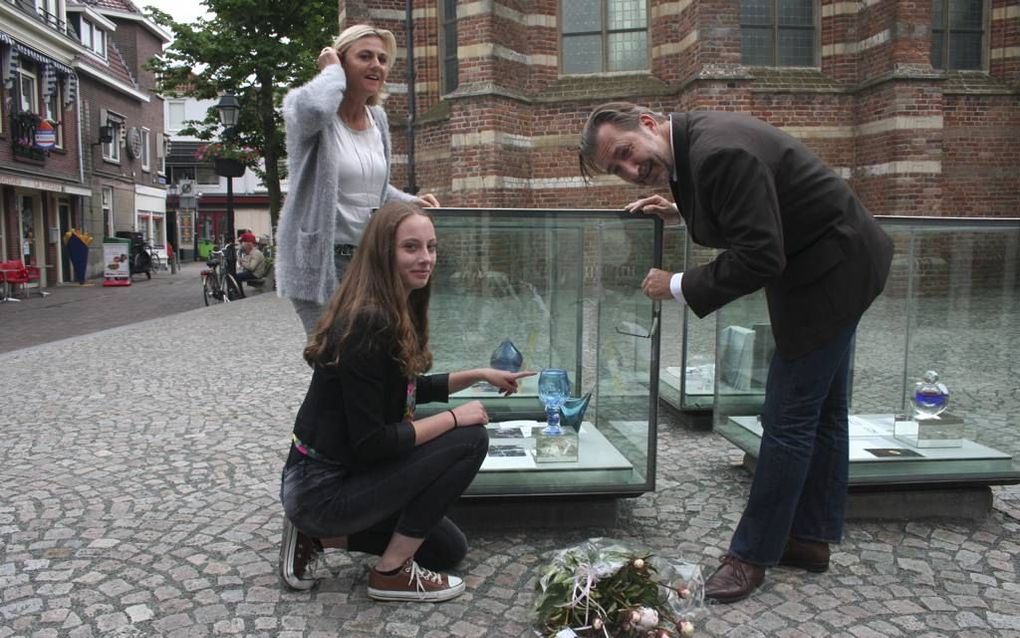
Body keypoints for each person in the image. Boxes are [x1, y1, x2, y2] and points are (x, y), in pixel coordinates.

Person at [578, 102, 894, 604]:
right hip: (843, 263)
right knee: (826, 412)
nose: (632, 171)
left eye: (625, 154)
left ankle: (750, 556)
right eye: (618, 170)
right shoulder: (697, 146)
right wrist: (683, 209)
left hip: (831, 277)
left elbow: (760, 254)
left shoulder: (718, 151)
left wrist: (677, 283)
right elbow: (757, 203)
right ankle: (810, 539)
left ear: (646, 123)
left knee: (787, 420)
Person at [278, 201, 533, 601]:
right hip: (322, 488)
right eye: (411, 247)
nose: (426, 258)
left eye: (431, 247)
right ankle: (390, 573)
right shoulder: (368, 322)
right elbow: (373, 443)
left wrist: (479, 374)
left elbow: (411, 388)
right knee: (470, 439)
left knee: (447, 550)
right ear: (384, 253)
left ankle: (317, 538)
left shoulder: (394, 308)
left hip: (345, 476)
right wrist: (453, 419)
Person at [275, 24, 441, 337]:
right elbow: (316, 107)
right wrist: (331, 73)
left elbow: (374, 190)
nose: (376, 65)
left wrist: (410, 202)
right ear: (341, 61)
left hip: (369, 258)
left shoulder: (377, 119)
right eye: (364, 56)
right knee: (333, 356)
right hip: (321, 260)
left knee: (369, 352)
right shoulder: (307, 112)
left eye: (382, 59)